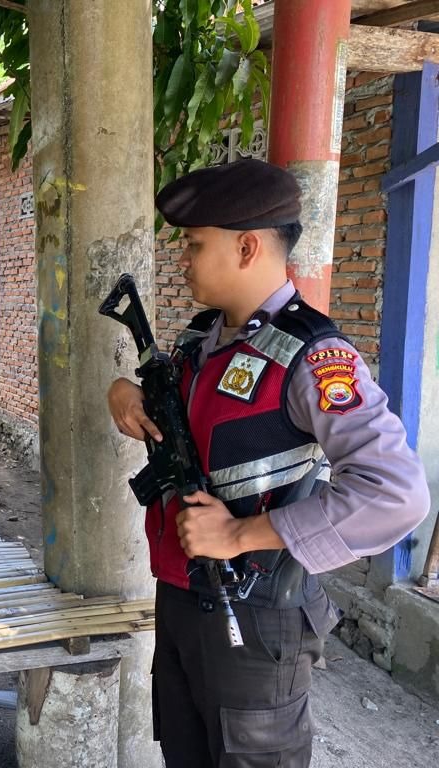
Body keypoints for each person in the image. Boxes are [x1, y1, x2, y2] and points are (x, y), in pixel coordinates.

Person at [107, 159, 429, 768]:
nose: (183, 259)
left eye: (195, 245)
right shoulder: (203, 338)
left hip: (252, 616)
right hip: (180, 600)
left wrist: (239, 534)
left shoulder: (312, 357)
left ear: (247, 247)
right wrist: (124, 392)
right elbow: (193, 420)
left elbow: (396, 493)